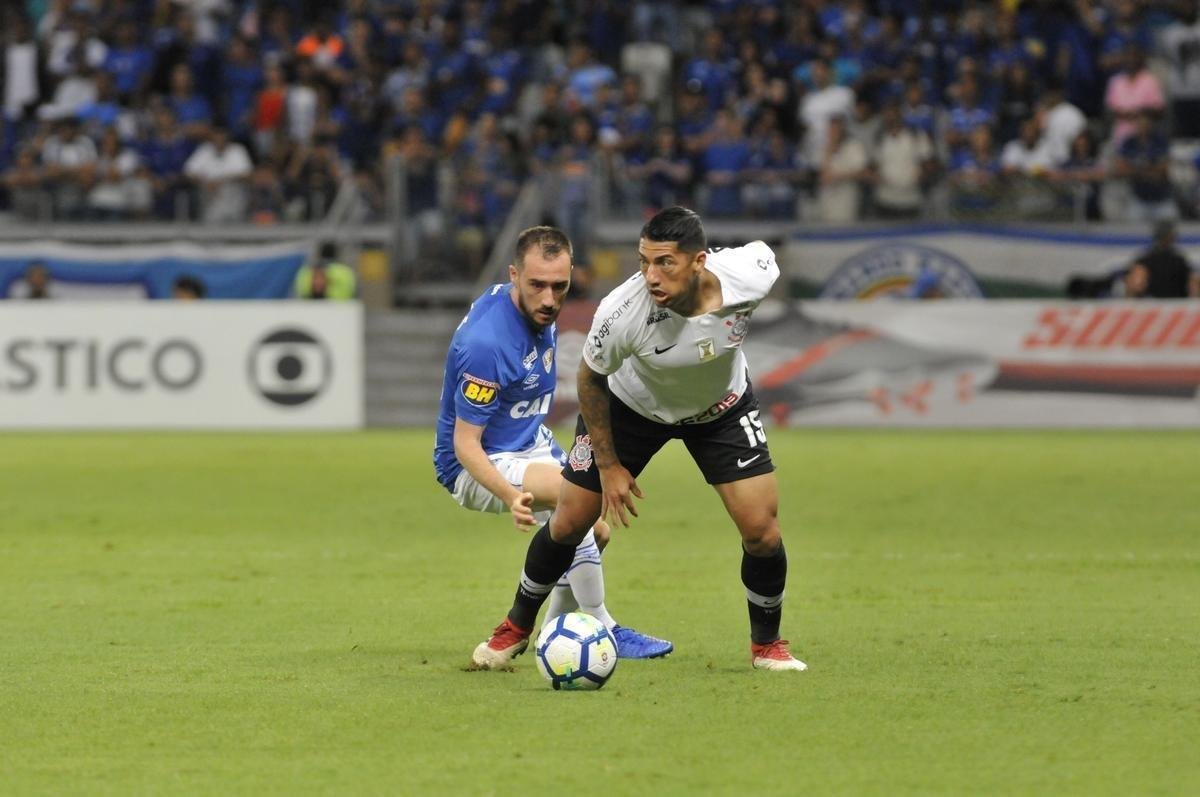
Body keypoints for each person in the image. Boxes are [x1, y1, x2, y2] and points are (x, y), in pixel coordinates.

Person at [472, 207, 806, 672]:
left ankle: (767, 646)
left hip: (720, 409)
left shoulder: (751, 274)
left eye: (665, 262)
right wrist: (609, 466)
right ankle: (514, 629)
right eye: (644, 261)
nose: (651, 275)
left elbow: (765, 253)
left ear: (699, 262)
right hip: (631, 408)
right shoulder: (622, 313)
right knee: (570, 521)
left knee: (762, 530)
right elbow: (590, 379)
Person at [435, 225, 672, 665]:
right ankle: (605, 626)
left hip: (529, 441)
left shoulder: (533, 309)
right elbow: (464, 444)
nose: (549, 299)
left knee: (596, 532)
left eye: (559, 287)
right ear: (513, 276)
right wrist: (509, 495)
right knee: (574, 502)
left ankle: (552, 635)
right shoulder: (487, 344)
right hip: (476, 462)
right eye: (537, 285)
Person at [1127, 221, 1199, 298]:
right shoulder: (1145, 260)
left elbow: (1193, 286)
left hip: (1169, 304)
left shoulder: (1179, 260)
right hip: (1156, 305)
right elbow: (1135, 286)